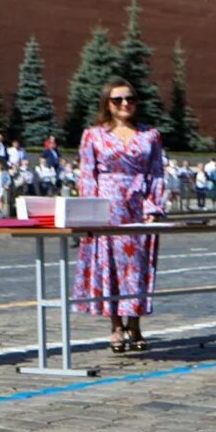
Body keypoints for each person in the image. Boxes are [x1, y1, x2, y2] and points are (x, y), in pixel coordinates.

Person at [74, 79, 167, 355]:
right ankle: (115, 325)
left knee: (137, 266)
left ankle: (135, 323)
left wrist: (154, 207)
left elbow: (157, 173)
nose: (125, 104)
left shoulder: (150, 135)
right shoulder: (93, 135)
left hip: (137, 206)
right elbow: (87, 175)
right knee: (110, 266)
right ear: (107, 104)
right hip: (107, 207)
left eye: (130, 98)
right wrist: (89, 211)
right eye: (118, 100)